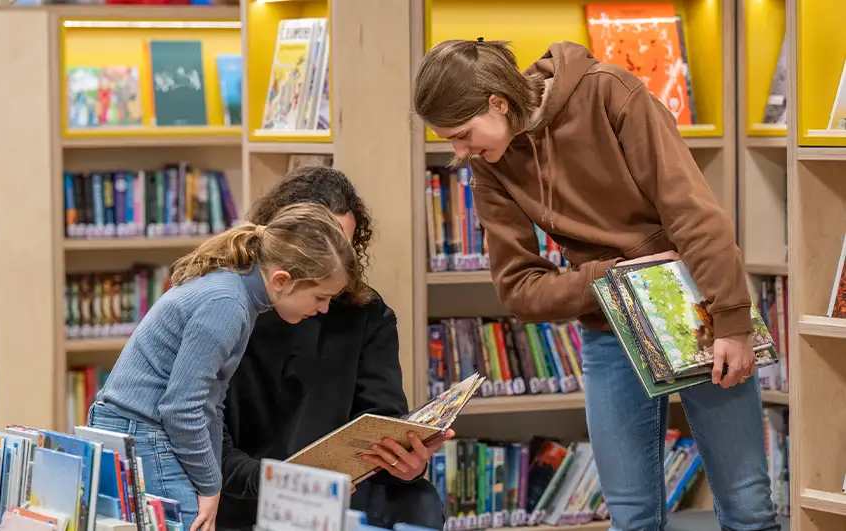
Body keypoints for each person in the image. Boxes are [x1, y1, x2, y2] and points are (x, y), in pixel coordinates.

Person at [414, 40, 779, 531]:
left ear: (497, 102)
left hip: (697, 307)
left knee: (748, 506)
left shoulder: (609, 93)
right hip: (609, 324)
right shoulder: (489, 164)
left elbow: (693, 214)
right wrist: (612, 278)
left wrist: (732, 320)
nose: (458, 153)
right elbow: (519, 290)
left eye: (462, 134)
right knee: (630, 518)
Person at [88, 202, 358, 531]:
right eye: (320, 297)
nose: (325, 309)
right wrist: (210, 486)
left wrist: (211, 482)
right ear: (281, 280)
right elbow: (181, 408)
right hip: (144, 432)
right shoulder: (228, 304)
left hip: (136, 427)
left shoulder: (237, 292)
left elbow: (212, 403)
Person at [217, 166, 448, 530]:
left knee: (417, 500)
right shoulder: (229, 309)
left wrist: (406, 463)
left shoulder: (366, 313)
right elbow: (208, 442)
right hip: (244, 487)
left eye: (345, 248)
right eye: (322, 246)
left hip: (340, 489)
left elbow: (382, 418)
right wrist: (287, 484)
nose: (335, 262)